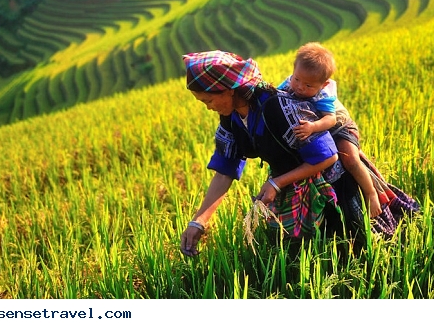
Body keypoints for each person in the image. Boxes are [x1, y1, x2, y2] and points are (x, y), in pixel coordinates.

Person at [179, 50, 419, 257]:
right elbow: (225, 171)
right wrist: (198, 222)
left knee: (359, 247)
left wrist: (277, 182)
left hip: (333, 185)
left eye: (208, 100)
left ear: (229, 90)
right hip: (294, 184)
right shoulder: (230, 120)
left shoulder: (279, 107)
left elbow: (327, 156)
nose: (208, 106)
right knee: (305, 254)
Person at [278, 42, 381, 218]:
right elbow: (277, 96)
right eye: (297, 79)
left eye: (309, 85)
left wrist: (312, 127)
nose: (300, 87)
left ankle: (371, 193)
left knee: (350, 159)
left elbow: (330, 119)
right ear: (294, 71)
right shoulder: (291, 82)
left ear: (323, 84)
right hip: (321, 132)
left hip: (340, 127)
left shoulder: (323, 95)